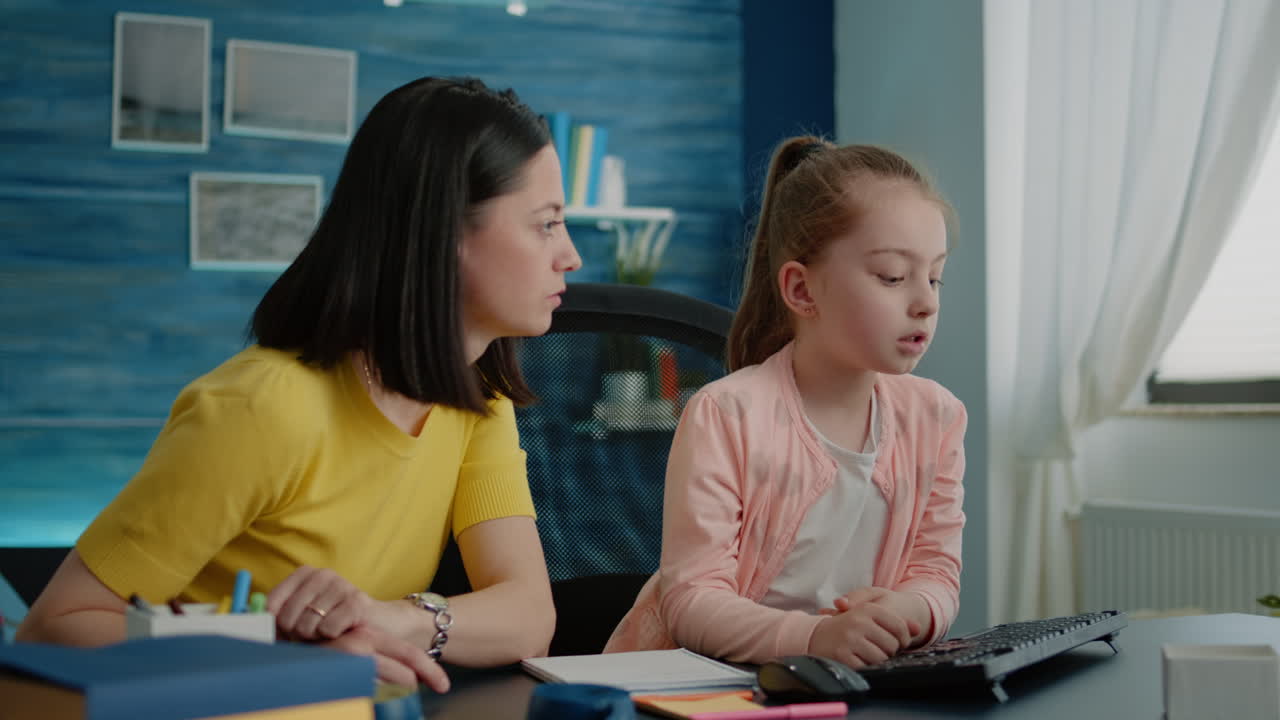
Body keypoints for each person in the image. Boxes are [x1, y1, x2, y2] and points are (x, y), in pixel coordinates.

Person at [17, 76, 582, 691]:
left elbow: (530, 615)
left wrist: (391, 620)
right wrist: (287, 659)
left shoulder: (475, 399)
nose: (570, 255)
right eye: (546, 224)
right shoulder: (260, 410)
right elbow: (57, 625)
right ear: (445, 234)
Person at [604, 136, 966, 669]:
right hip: (696, 687)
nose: (926, 301)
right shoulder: (726, 415)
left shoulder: (936, 418)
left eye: (934, 277)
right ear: (801, 290)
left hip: (844, 684)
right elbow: (691, 601)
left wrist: (909, 610)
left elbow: (936, 572)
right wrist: (813, 639)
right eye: (893, 276)